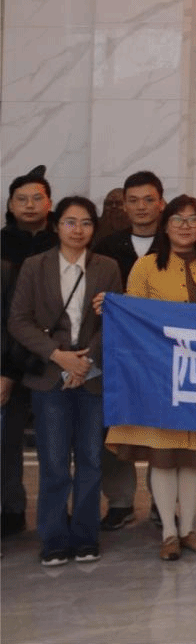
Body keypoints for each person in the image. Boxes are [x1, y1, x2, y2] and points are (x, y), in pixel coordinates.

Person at [105, 196, 196, 560]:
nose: (185, 226)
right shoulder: (145, 266)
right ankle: (169, 533)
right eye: (177, 219)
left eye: (193, 219)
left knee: (193, 455)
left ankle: (188, 529)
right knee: (163, 455)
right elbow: (132, 318)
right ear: (165, 225)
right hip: (160, 376)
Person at [8, 197, 123, 565]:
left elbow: (114, 318)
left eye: (86, 223)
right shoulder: (35, 266)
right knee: (55, 463)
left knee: (90, 460)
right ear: (56, 226)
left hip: (92, 373)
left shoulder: (107, 267)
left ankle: (86, 536)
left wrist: (85, 361)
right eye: (70, 222)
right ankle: (54, 538)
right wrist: (59, 357)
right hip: (49, 374)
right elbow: (18, 320)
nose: (78, 230)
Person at [94, 170, 166, 530]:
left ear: (161, 203)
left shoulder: (175, 243)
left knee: (162, 428)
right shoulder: (106, 247)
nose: (141, 207)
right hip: (117, 353)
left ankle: (161, 501)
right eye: (133, 200)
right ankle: (120, 502)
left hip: (162, 354)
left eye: (148, 199)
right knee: (116, 425)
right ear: (124, 205)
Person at [1, 166, 57, 540]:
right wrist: (5, 368)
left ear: (49, 203)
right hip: (8, 359)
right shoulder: (1, 245)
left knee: (56, 442)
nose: (30, 204)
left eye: (37, 197)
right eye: (21, 199)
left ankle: (56, 511)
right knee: (8, 442)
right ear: (10, 205)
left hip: (53, 358)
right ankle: (11, 508)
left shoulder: (63, 242)